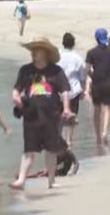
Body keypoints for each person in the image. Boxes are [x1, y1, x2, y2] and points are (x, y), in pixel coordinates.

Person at [10, 38, 72, 190]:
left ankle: (51, 181)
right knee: (29, 150)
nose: (33, 53)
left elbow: (65, 91)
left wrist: (66, 108)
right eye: (32, 50)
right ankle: (21, 180)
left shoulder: (56, 71)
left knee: (51, 150)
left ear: (45, 52)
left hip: (51, 116)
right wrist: (15, 97)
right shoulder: (25, 70)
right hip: (31, 116)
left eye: (36, 50)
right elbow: (16, 89)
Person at [85, 28, 110, 146]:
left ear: (96, 38)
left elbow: (87, 70)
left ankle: (97, 136)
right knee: (107, 108)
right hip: (108, 83)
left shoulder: (91, 52)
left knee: (97, 109)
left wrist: (93, 76)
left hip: (96, 83)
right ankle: (105, 132)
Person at [57, 32, 86, 147]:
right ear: (73, 44)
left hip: (59, 91)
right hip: (73, 90)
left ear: (63, 43)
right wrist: (83, 90)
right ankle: (69, 140)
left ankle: (59, 138)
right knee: (72, 115)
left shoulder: (57, 55)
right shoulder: (77, 57)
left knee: (60, 115)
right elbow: (82, 76)